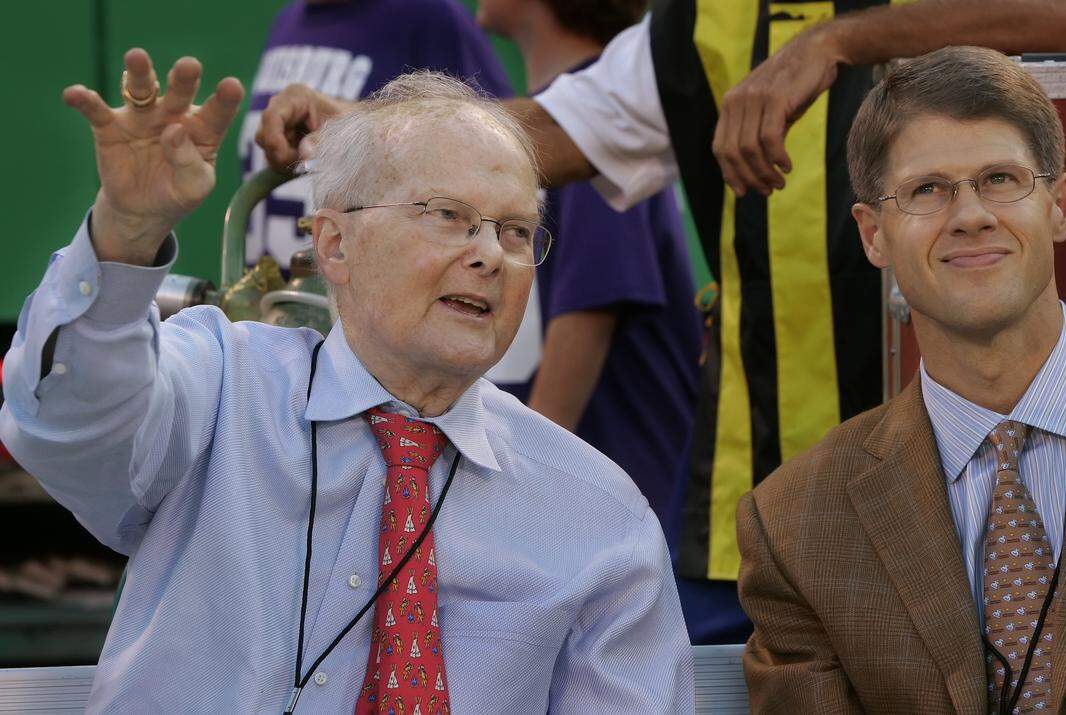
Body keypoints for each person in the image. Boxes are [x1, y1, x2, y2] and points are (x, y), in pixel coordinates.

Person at [255, 0, 1066, 645]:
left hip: (982, 486)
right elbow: (548, 131)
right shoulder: (699, 17)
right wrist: (372, 132)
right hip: (754, 508)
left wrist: (838, 41)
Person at [0, 50, 692, 712]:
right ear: (334, 244)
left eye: (515, 232)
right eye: (448, 216)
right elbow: (63, 424)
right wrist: (125, 233)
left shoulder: (596, 516)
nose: (489, 255)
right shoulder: (217, 389)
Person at [736, 45, 1066, 712]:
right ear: (873, 235)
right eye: (927, 189)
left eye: (1001, 179)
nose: (970, 213)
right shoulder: (795, 525)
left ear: (1061, 205)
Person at [474, 0, 701, 566]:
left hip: (609, 500)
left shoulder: (589, 120)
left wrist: (521, 482)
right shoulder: (577, 109)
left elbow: (592, 309)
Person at [238, 0, 513, 269]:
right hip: (272, 292)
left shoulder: (428, 13)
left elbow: (493, 145)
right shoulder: (288, 20)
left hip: (368, 291)